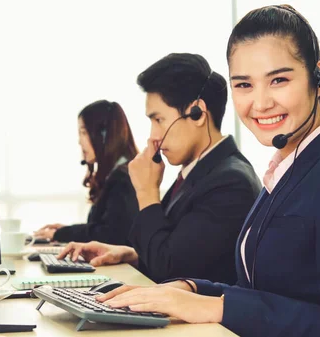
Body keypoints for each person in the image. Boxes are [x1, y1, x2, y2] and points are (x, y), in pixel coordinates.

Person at [88, 5, 320, 337]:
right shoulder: (289, 169)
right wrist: (190, 289)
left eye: (278, 80)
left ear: (319, 78)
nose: (261, 102)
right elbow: (263, 291)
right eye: (244, 85)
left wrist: (214, 306)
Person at [58, 53, 262, 284]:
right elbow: (181, 253)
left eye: (159, 120)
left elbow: (170, 271)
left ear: (197, 114)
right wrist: (132, 256)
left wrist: (146, 192)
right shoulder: (199, 172)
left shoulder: (230, 183)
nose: (153, 136)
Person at [34, 100, 139, 245]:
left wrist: (62, 234)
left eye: (83, 132)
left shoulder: (123, 179)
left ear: (103, 136)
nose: (79, 141)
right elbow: (105, 227)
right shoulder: (118, 173)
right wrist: (67, 231)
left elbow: (111, 234)